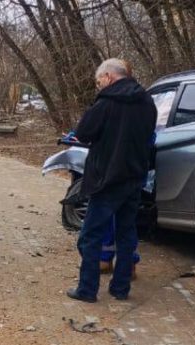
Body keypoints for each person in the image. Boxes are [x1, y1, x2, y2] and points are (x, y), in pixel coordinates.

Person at [67, 58, 157, 302]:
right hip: (135, 177)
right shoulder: (147, 101)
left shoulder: (106, 103)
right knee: (127, 235)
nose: (99, 86)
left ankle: (87, 289)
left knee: (90, 235)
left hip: (106, 179)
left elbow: (83, 132)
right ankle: (120, 289)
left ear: (108, 76)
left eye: (99, 82)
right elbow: (149, 135)